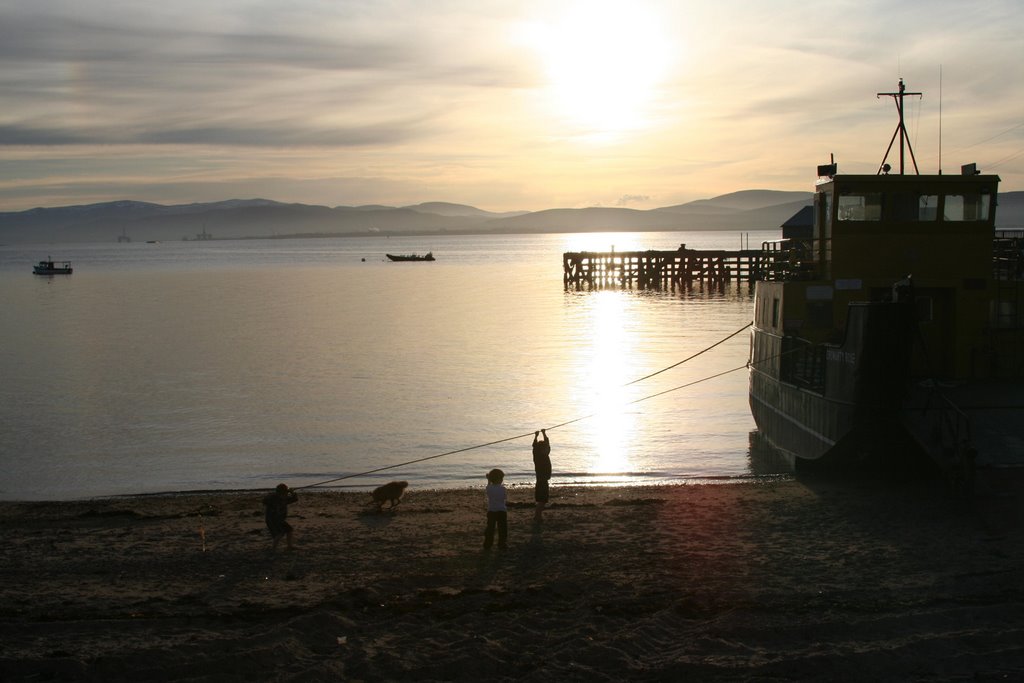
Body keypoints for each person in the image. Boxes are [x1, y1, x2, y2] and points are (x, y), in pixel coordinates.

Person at [263, 483, 298, 551]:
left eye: (285, 493)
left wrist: (292, 492)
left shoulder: (285, 499)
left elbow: (295, 499)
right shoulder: (273, 498)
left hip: (280, 519)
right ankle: (273, 549)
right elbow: (264, 501)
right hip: (272, 519)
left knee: (289, 530)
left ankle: (289, 547)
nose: (285, 495)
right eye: (284, 493)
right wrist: (275, 496)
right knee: (279, 534)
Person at [483, 468, 508, 550]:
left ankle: (488, 544)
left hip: (491, 511)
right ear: (499, 479)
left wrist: (488, 480)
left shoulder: (489, 488)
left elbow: (488, 487)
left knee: (490, 528)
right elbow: (504, 498)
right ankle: (501, 544)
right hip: (501, 511)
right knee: (502, 528)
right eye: (501, 478)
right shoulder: (503, 489)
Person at [532, 429, 552, 522]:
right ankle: (537, 516)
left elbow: (546, 444)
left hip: (542, 480)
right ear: (542, 449)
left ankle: (538, 516)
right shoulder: (538, 456)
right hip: (541, 480)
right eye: (544, 448)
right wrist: (536, 436)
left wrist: (543, 434)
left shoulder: (541, 455)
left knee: (542, 500)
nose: (546, 449)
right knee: (542, 500)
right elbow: (535, 447)